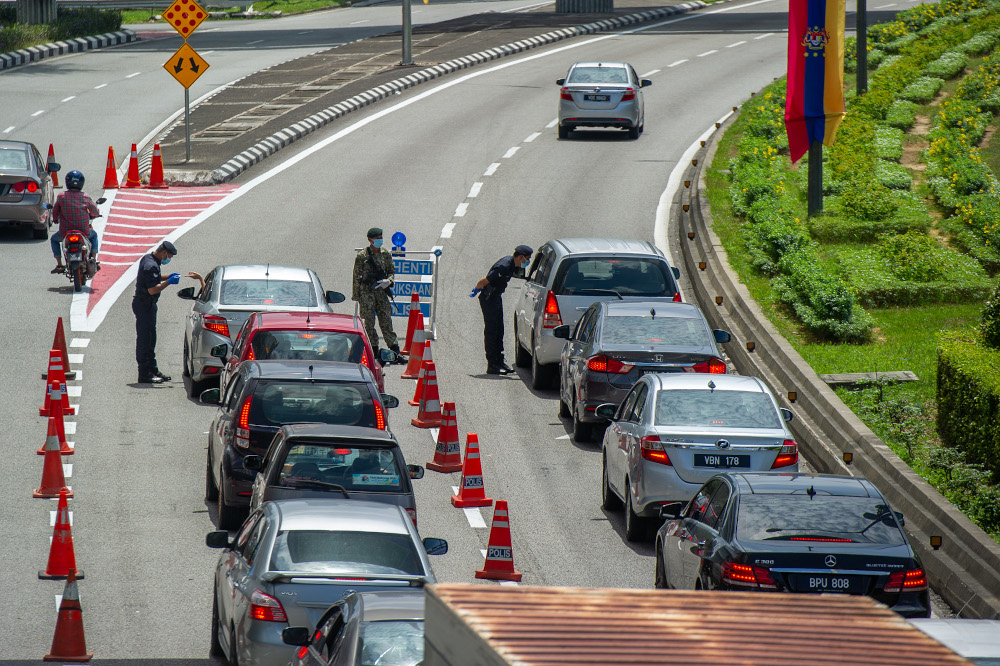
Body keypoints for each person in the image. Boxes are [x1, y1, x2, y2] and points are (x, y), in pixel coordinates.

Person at [475, 245, 533, 375]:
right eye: (527, 259)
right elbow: (483, 281)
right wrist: (476, 289)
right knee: (492, 331)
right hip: (488, 298)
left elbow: (520, 275)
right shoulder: (504, 266)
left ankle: (499, 361)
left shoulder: (513, 265)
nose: (528, 261)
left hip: (496, 297)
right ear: (521, 257)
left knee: (499, 329)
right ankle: (492, 364)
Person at [132, 241, 180, 384]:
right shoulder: (150, 265)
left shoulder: (150, 259)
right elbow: (152, 289)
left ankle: (153, 369)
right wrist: (169, 282)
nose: (169, 259)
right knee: (145, 340)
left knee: (151, 338)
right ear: (164, 252)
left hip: (149, 305)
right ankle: (144, 374)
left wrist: (167, 276)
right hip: (144, 304)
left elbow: (154, 278)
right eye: (169, 256)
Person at [352, 227, 401, 360]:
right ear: (370, 240)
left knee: (386, 320)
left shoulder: (385, 253)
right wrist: (357, 296)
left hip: (381, 292)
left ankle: (395, 349)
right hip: (367, 292)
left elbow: (392, 271)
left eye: (381, 238)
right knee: (369, 322)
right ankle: (373, 350)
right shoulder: (362, 256)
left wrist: (388, 281)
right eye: (377, 238)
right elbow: (356, 276)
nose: (380, 240)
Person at [51, 170, 100, 274]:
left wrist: (55, 220)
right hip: (84, 231)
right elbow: (95, 212)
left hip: (65, 232)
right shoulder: (85, 197)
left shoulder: (61, 196)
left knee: (54, 239)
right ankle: (93, 259)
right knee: (94, 236)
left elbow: (55, 213)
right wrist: (93, 215)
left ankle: (59, 264)